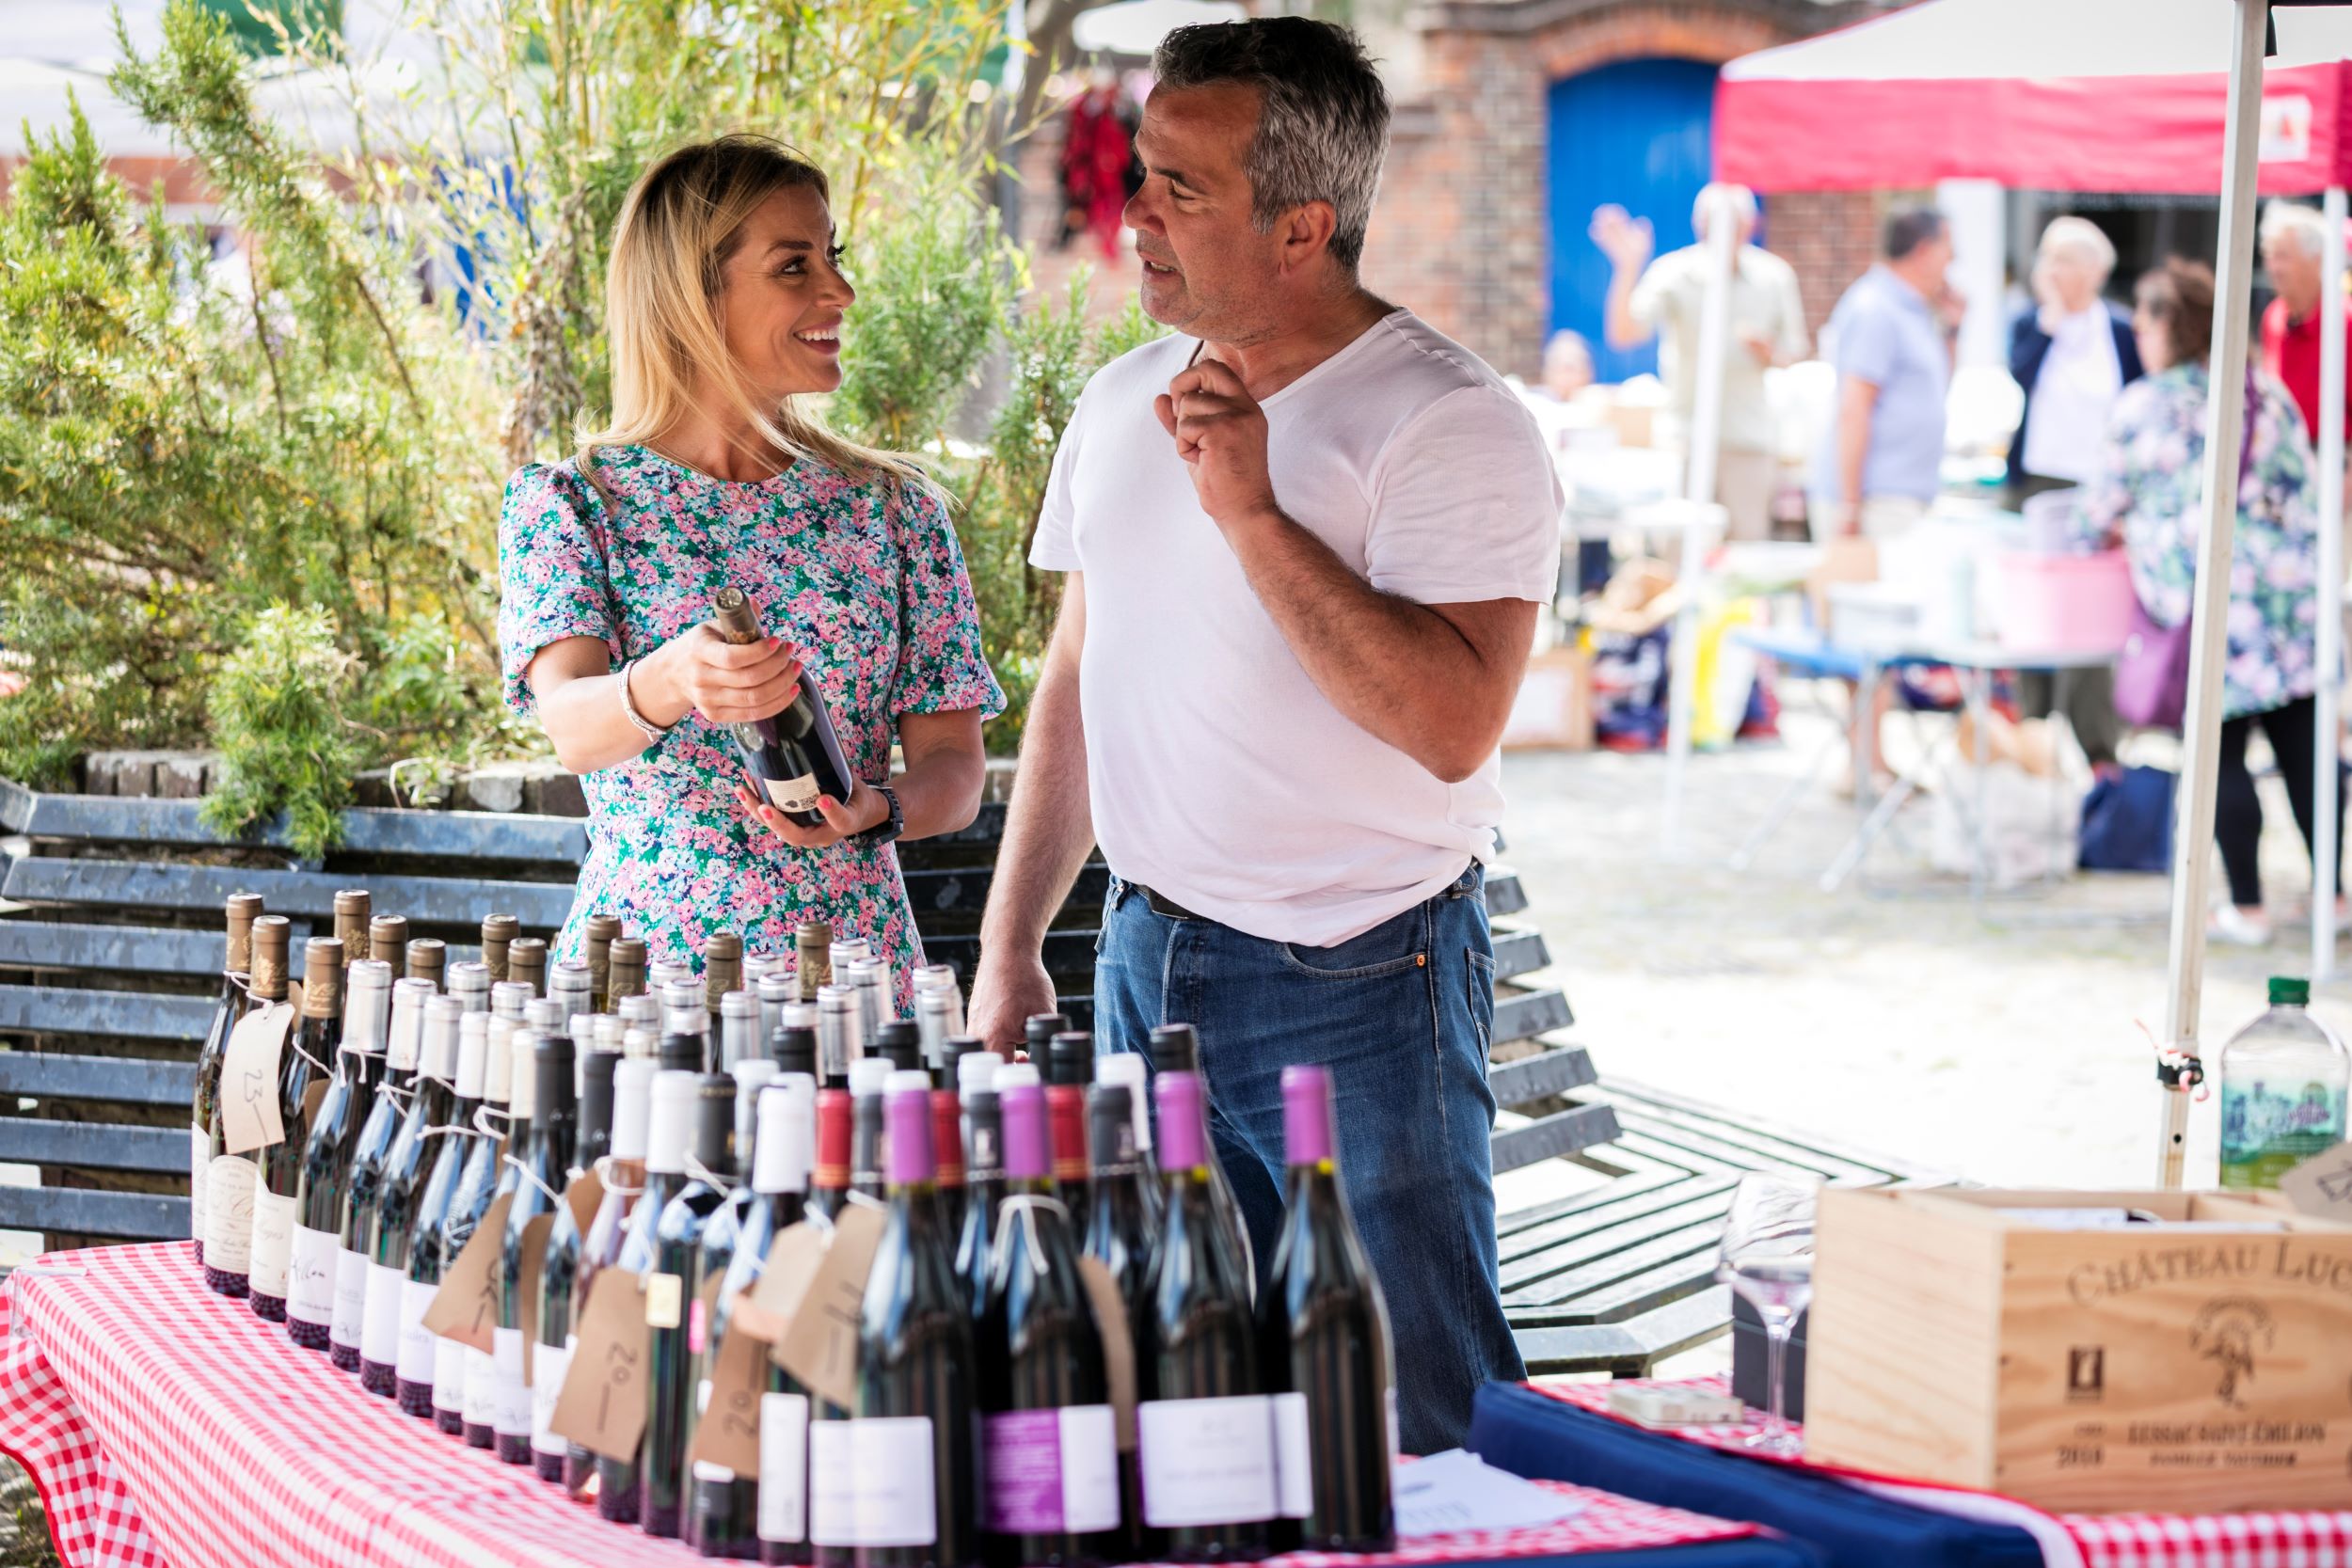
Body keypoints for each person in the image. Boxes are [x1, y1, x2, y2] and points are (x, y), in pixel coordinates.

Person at [966, 17, 1559, 1453]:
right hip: (1142, 956)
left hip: (1355, 974)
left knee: (1419, 1410)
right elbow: (1080, 678)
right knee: (1177, 1399)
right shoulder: (1122, 401)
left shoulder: (1451, 423)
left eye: (1180, 184)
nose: (1135, 209)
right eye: (1141, 171)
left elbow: (1447, 721)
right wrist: (1009, 937)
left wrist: (1251, 510)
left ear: (1303, 224)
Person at [496, 135, 1005, 1001]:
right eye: (794, 265)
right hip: (648, 984)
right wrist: (672, 674)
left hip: (854, 980)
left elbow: (957, 766)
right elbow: (573, 728)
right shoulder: (573, 503)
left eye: (833, 258)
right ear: (696, 293)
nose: (839, 291)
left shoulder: (892, 510)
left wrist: (875, 809)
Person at [2074, 259, 2334, 948]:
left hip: (2207, 609)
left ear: (2172, 324)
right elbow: (2307, 492)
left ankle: (2247, 904)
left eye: (2146, 316)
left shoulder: (2145, 406)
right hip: (2285, 604)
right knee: (2303, 752)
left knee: (2220, 762)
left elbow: (2092, 512)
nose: (2137, 329)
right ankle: (2333, 893)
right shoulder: (2263, 393)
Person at [1591, 184, 1809, 540]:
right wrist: (1627, 267)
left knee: (1746, 556)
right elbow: (1625, 332)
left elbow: (1793, 354)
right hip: (1687, 438)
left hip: (1749, 439)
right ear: (1699, 225)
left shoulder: (1774, 277)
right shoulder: (1676, 273)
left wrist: (1767, 353)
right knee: (1683, 553)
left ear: (1750, 225)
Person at [2007, 215, 2142, 773]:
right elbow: (2020, 374)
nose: (2053, 270)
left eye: (2065, 260)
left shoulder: (2120, 330)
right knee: (2032, 617)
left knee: (2089, 621)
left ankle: (2098, 748)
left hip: (2098, 488)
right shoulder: (2031, 324)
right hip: (2038, 481)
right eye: (2048, 258)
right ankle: (2032, 738)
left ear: (2093, 270)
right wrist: (2051, 320)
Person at [1810, 208, 1962, 539]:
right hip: (1875, 501)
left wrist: (1953, 329)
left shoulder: (1915, 308)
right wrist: (1849, 505)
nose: (1952, 259)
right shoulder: (1876, 308)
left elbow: (1935, 389)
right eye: (1948, 249)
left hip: (1900, 496)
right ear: (1924, 250)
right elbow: (1854, 409)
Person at [2259, 199, 2350, 451]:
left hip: (2334, 459)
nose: (2273, 267)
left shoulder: (2345, 321)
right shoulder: (2274, 316)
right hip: (2283, 452)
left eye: (2283, 256)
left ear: (2316, 260)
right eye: (2269, 256)